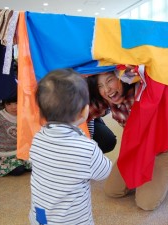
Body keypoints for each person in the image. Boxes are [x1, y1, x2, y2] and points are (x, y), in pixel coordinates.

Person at [87, 68, 168, 211]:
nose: (107, 90)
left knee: (146, 203)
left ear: (121, 77)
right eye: (100, 86)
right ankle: (147, 178)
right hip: (136, 149)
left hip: (163, 150)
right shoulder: (109, 98)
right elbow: (81, 113)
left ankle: (162, 180)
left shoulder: (141, 88)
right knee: (112, 191)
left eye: (110, 80)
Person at [29, 68, 112, 225]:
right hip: (72, 220)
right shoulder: (86, 148)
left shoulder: (38, 138)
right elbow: (104, 171)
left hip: (39, 217)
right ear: (84, 111)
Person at [0, 95, 31, 177]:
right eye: (9, 104)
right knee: (19, 170)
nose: (13, 107)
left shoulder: (23, 115)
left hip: (19, 152)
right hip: (3, 155)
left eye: (16, 103)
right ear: (4, 104)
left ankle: (19, 162)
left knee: (32, 166)